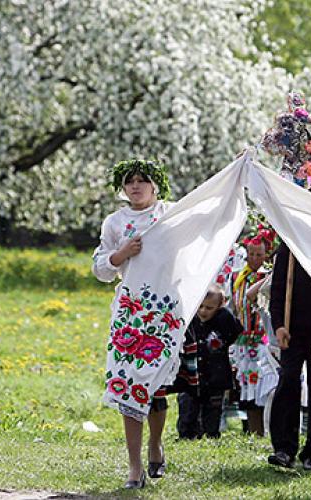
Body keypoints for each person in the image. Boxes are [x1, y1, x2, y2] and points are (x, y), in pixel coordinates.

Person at [91, 159, 175, 489]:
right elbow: (100, 268)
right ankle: (134, 466)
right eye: (130, 181)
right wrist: (121, 253)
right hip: (131, 311)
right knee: (129, 384)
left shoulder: (170, 214)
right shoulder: (115, 222)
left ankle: (155, 444)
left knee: (154, 386)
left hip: (164, 309)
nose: (136, 186)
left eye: (142, 180)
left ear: (156, 185)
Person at [267, 183, 311, 472]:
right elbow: (279, 287)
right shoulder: (291, 243)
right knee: (288, 382)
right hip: (293, 329)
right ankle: (284, 449)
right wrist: (279, 325)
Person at [177, 286, 243, 439]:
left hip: (215, 374)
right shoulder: (190, 318)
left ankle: (211, 433)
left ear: (220, 306)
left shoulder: (224, 320)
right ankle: (186, 434)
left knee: (213, 408)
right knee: (187, 405)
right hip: (191, 373)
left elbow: (235, 331)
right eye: (200, 306)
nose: (203, 311)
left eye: (209, 308)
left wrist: (224, 313)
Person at [229, 225, 275, 436]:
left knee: (263, 387)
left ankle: (266, 429)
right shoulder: (237, 277)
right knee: (246, 387)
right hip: (243, 340)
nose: (254, 258)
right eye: (251, 253)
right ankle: (251, 430)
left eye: (259, 254)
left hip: (262, 340)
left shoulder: (267, 277)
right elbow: (233, 305)